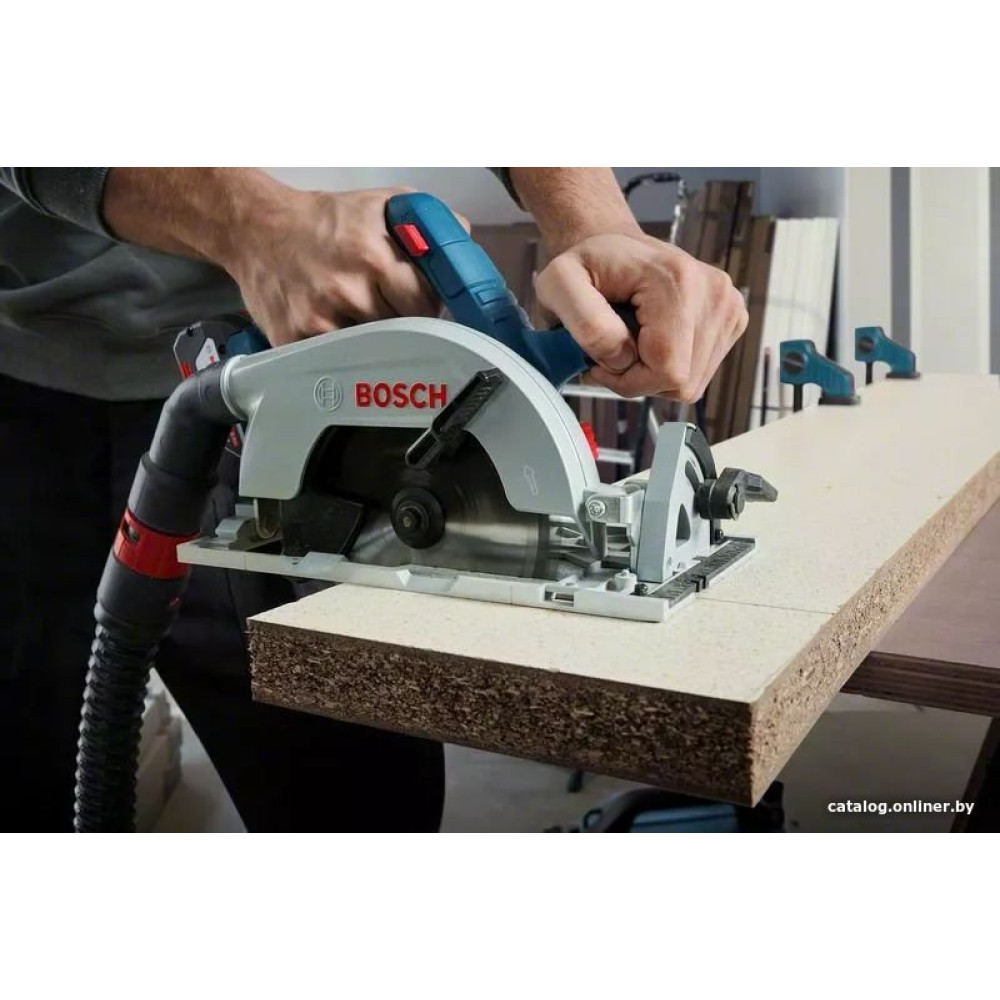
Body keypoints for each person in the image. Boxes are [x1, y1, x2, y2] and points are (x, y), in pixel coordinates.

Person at [0, 167, 747, 832]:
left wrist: (597, 226)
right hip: (36, 384)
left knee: (363, 811)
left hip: (307, 398)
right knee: (30, 785)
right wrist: (250, 220)